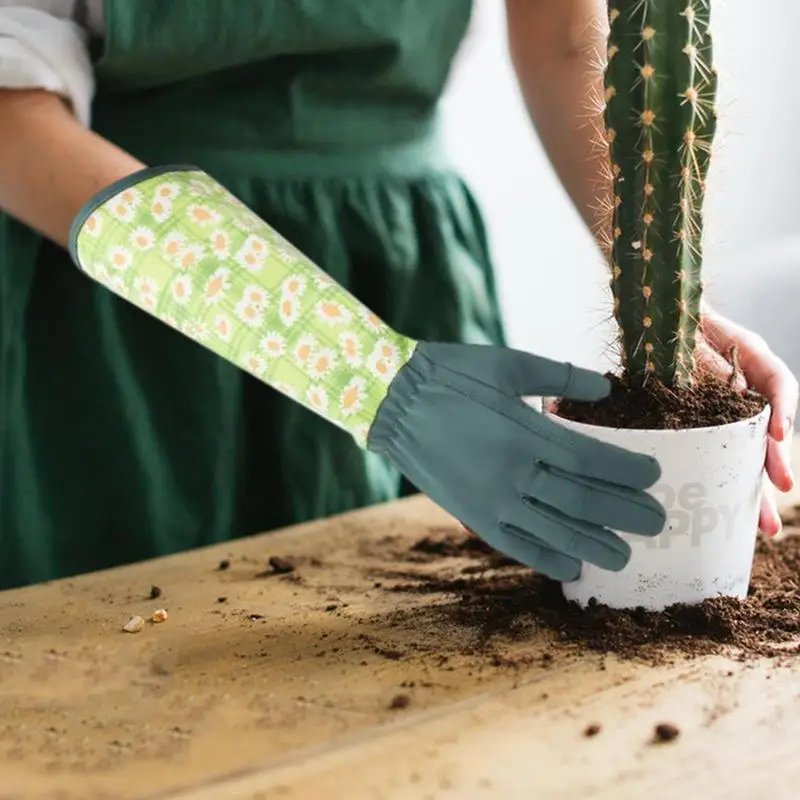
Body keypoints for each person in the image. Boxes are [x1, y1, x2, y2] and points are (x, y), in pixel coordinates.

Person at [0, 0, 795, 592]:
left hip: (404, 271)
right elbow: (12, 113)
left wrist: (670, 307)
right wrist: (367, 372)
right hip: (133, 291)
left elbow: (565, 37)